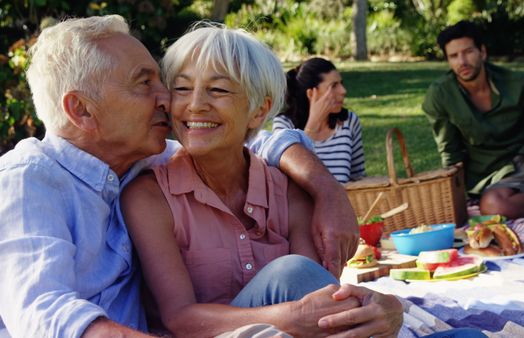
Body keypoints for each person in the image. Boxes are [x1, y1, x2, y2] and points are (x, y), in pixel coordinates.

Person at [0, 15, 359, 337]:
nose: (168, 99)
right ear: (82, 110)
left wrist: (329, 193)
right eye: (144, 83)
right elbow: (43, 314)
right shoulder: (27, 181)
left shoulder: (148, 158)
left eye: (163, 82)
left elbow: (249, 138)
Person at [121, 23, 404, 338]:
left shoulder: (288, 190)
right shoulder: (149, 197)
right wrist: (290, 317)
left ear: (258, 111)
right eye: (183, 88)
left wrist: (385, 309)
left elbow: (322, 303)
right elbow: (180, 319)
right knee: (290, 273)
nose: (196, 104)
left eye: (218, 89)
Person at [422, 20, 524, 219]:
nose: (462, 61)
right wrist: (456, 197)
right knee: (493, 205)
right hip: (492, 177)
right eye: (453, 56)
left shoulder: (514, 81)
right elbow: (450, 152)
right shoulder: (441, 95)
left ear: (482, 52)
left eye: (468, 52)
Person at [273, 57, 366, 183]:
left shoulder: (348, 121)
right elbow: (287, 179)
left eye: (341, 83)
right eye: (333, 86)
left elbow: (358, 177)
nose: (343, 91)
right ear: (311, 94)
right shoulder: (284, 125)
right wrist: (314, 123)